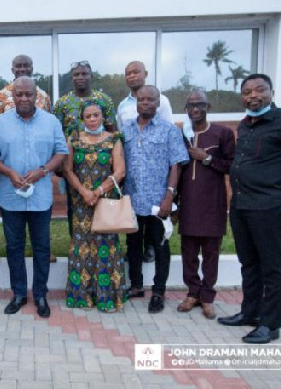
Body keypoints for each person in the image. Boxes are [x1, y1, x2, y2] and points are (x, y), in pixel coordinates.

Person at [218, 74, 281, 344]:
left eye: (259, 90)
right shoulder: (246, 124)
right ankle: (250, 313)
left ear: (271, 91)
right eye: (247, 91)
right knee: (249, 262)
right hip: (242, 205)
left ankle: (270, 325)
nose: (253, 96)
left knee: (272, 265)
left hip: (270, 206)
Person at [0, 76, 68, 318]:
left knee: (42, 247)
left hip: (40, 197)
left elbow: (61, 151)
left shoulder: (51, 122)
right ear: (12, 96)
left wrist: (43, 171)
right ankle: (19, 294)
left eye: (28, 94)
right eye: (18, 94)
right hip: (11, 197)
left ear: (36, 96)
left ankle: (40, 294)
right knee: (14, 247)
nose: (23, 98)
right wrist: (8, 172)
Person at [120, 85, 189, 314]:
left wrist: (169, 195)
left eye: (151, 99)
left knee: (160, 246)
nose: (146, 103)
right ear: (136, 103)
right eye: (141, 100)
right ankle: (136, 285)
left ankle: (159, 291)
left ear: (158, 103)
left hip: (158, 200)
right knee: (133, 245)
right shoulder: (126, 130)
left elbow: (176, 165)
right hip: (132, 198)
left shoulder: (170, 130)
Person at [62, 100, 126, 312]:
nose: (92, 119)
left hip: (104, 202)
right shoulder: (73, 139)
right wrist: (84, 192)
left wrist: (98, 192)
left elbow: (120, 171)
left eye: (96, 115)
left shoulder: (113, 139)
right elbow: (68, 170)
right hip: (81, 203)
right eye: (87, 116)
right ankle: (82, 297)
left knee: (105, 246)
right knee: (82, 247)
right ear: (82, 118)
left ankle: (107, 297)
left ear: (103, 117)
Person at [176, 91, 235, 320]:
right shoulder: (182, 134)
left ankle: (208, 297)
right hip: (189, 203)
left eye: (199, 104)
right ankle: (192, 293)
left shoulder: (222, 133)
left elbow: (232, 165)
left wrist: (207, 159)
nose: (195, 109)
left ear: (207, 106)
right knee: (188, 252)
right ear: (186, 108)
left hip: (213, 203)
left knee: (211, 253)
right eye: (191, 105)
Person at [117, 61, 173, 264]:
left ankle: (150, 247)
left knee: (154, 223)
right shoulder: (123, 106)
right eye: (128, 73)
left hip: (155, 174)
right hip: (132, 173)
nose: (132, 76)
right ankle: (135, 266)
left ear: (145, 74)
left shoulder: (162, 100)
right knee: (133, 222)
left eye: (135, 72)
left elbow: (167, 132)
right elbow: (121, 139)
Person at [54, 61, 116, 239]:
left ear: (91, 76)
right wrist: (59, 164)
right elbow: (57, 134)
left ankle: (103, 241)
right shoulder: (62, 103)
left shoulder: (105, 100)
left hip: (102, 163)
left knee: (103, 202)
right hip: (73, 165)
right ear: (71, 78)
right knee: (75, 205)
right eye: (76, 75)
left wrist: (114, 160)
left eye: (84, 74)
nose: (80, 77)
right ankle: (78, 242)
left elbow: (112, 131)